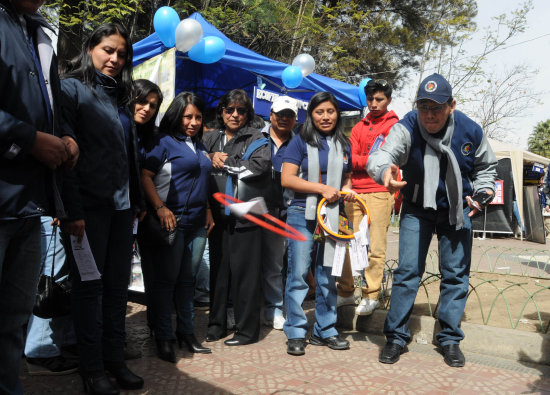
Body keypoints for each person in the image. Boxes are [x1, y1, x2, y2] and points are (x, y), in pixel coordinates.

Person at [367, 73, 497, 367]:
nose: (429, 115)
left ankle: (450, 338)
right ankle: (396, 338)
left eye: (436, 107)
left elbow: (486, 168)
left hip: (456, 210)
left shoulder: (470, 130)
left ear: (451, 105)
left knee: (455, 275)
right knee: (408, 272)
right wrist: (385, 170)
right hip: (416, 208)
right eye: (423, 107)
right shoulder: (408, 126)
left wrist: (484, 190)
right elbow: (382, 154)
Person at [61, 23, 146, 394]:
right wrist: (72, 210)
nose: (114, 59)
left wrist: (138, 203)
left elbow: (129, 155)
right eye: (107, 50)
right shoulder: (70, 89)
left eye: (121, 54)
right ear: (90, 48)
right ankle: (92, 369)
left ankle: (114, 361)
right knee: (89, 288)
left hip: (122, 211)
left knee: (116, 289)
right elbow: (65, 156)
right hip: (88, 210)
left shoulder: (122, 97)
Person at [0, 0, 78, 392]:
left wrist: (64, 137)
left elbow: (46, 107)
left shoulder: (37, 31)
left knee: (15, 320)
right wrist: (29, 140)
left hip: (31, 204)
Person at [141, 92, 214, 363]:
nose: (193, 122)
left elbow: (202, 180)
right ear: (176, 116)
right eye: (188, 116)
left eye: (197, 117)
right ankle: (164, 337)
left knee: (187, 282)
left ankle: (187, 333)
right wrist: (160, 207)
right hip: (172, 224)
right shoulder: (163, 142)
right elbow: (145, 176)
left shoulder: (200, 144)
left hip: (197, 223)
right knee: (166, 283)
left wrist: (207, 210)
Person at [281, 91, 355, 356]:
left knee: (328, 275)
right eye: (319, 112)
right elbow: (287, 179)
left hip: (333, 216)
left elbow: (346, 178)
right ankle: (296, 330)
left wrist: (348, 190)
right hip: (301, 213)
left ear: (337, 114)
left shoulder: (343, 143)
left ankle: (325, 330)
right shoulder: (299, 141)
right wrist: (322, 188)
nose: (326, 117)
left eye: (330, 111)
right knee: (299, 273)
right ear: (311, 115)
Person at [203, 89, 271, 346]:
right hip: (218, 215)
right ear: (221, 112)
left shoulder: (258, 137)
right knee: (218, 273)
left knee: (246, 275)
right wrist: (209, 157)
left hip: (249, 213)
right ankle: (216, 325)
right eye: (229, 109)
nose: (235, 114)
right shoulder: (211, 139)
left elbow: (257, 167)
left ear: (248, 114)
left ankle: (246, 331)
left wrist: (220, 161)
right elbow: (198, 160)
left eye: (241, 110)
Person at [337, 79, 399, 316]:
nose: (374, 104)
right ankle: (345, 292)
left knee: (375, 247)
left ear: (389, 100)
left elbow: (384, 159)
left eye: (379, 99)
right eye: (370, 99)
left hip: (380, 191)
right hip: (354, 192)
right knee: (347, 243)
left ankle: (371, 294)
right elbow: (350, 160)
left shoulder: (394, 126)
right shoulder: (358, 126)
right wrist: (366, 160)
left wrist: (362, 160)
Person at [259, 96, 298, 330]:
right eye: (280, 114)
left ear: (295, 119)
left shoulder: (300, 142)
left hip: (285, 210)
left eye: (289, 115)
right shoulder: (256, 137)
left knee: (275, 264)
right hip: (255, 209)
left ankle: (273, 309)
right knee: (250, 263)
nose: (284, 118)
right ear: (271, 115)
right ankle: (246, 308)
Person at [25, 217, 78, 376]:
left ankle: (63, 340)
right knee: (52, 281)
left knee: (60, 279)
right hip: (50, 215)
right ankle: (41, 350)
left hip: (54, 213)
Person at [131, 79, 163, 333]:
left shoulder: (154, 138)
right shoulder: (117, 128)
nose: (146, 109)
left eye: (153, 105)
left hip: (142, 217)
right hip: (112, 213)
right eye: (141, 101)